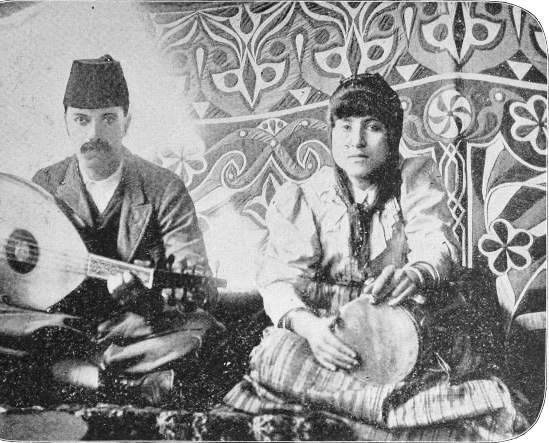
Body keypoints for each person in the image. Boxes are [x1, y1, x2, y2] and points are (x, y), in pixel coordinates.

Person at [223, 73, 523, 438]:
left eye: (373, 127)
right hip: (328, 328)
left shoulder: (413, 179)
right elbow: (279, 280)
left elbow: (436, 244)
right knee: (277, 355)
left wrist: (415, 274)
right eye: (345, 127)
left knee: (452, 371)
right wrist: (311, 330)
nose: (357, 141)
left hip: (400, 322)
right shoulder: (305, 195)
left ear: (392, 136)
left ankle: (357, 410)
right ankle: (393, 413)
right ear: (331, 134)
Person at [0, 55, 223, 407]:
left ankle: (64, 374)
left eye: (108, 119)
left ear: (127, 122)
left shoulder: (164, 189)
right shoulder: (45, 184)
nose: (93, 135)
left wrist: (143, 300)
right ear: (67, 123)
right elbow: (20, 281)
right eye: (82, 120)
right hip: (54, 324)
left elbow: (197, 284)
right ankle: (111, 379)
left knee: (200, 332)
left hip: (129, 326)